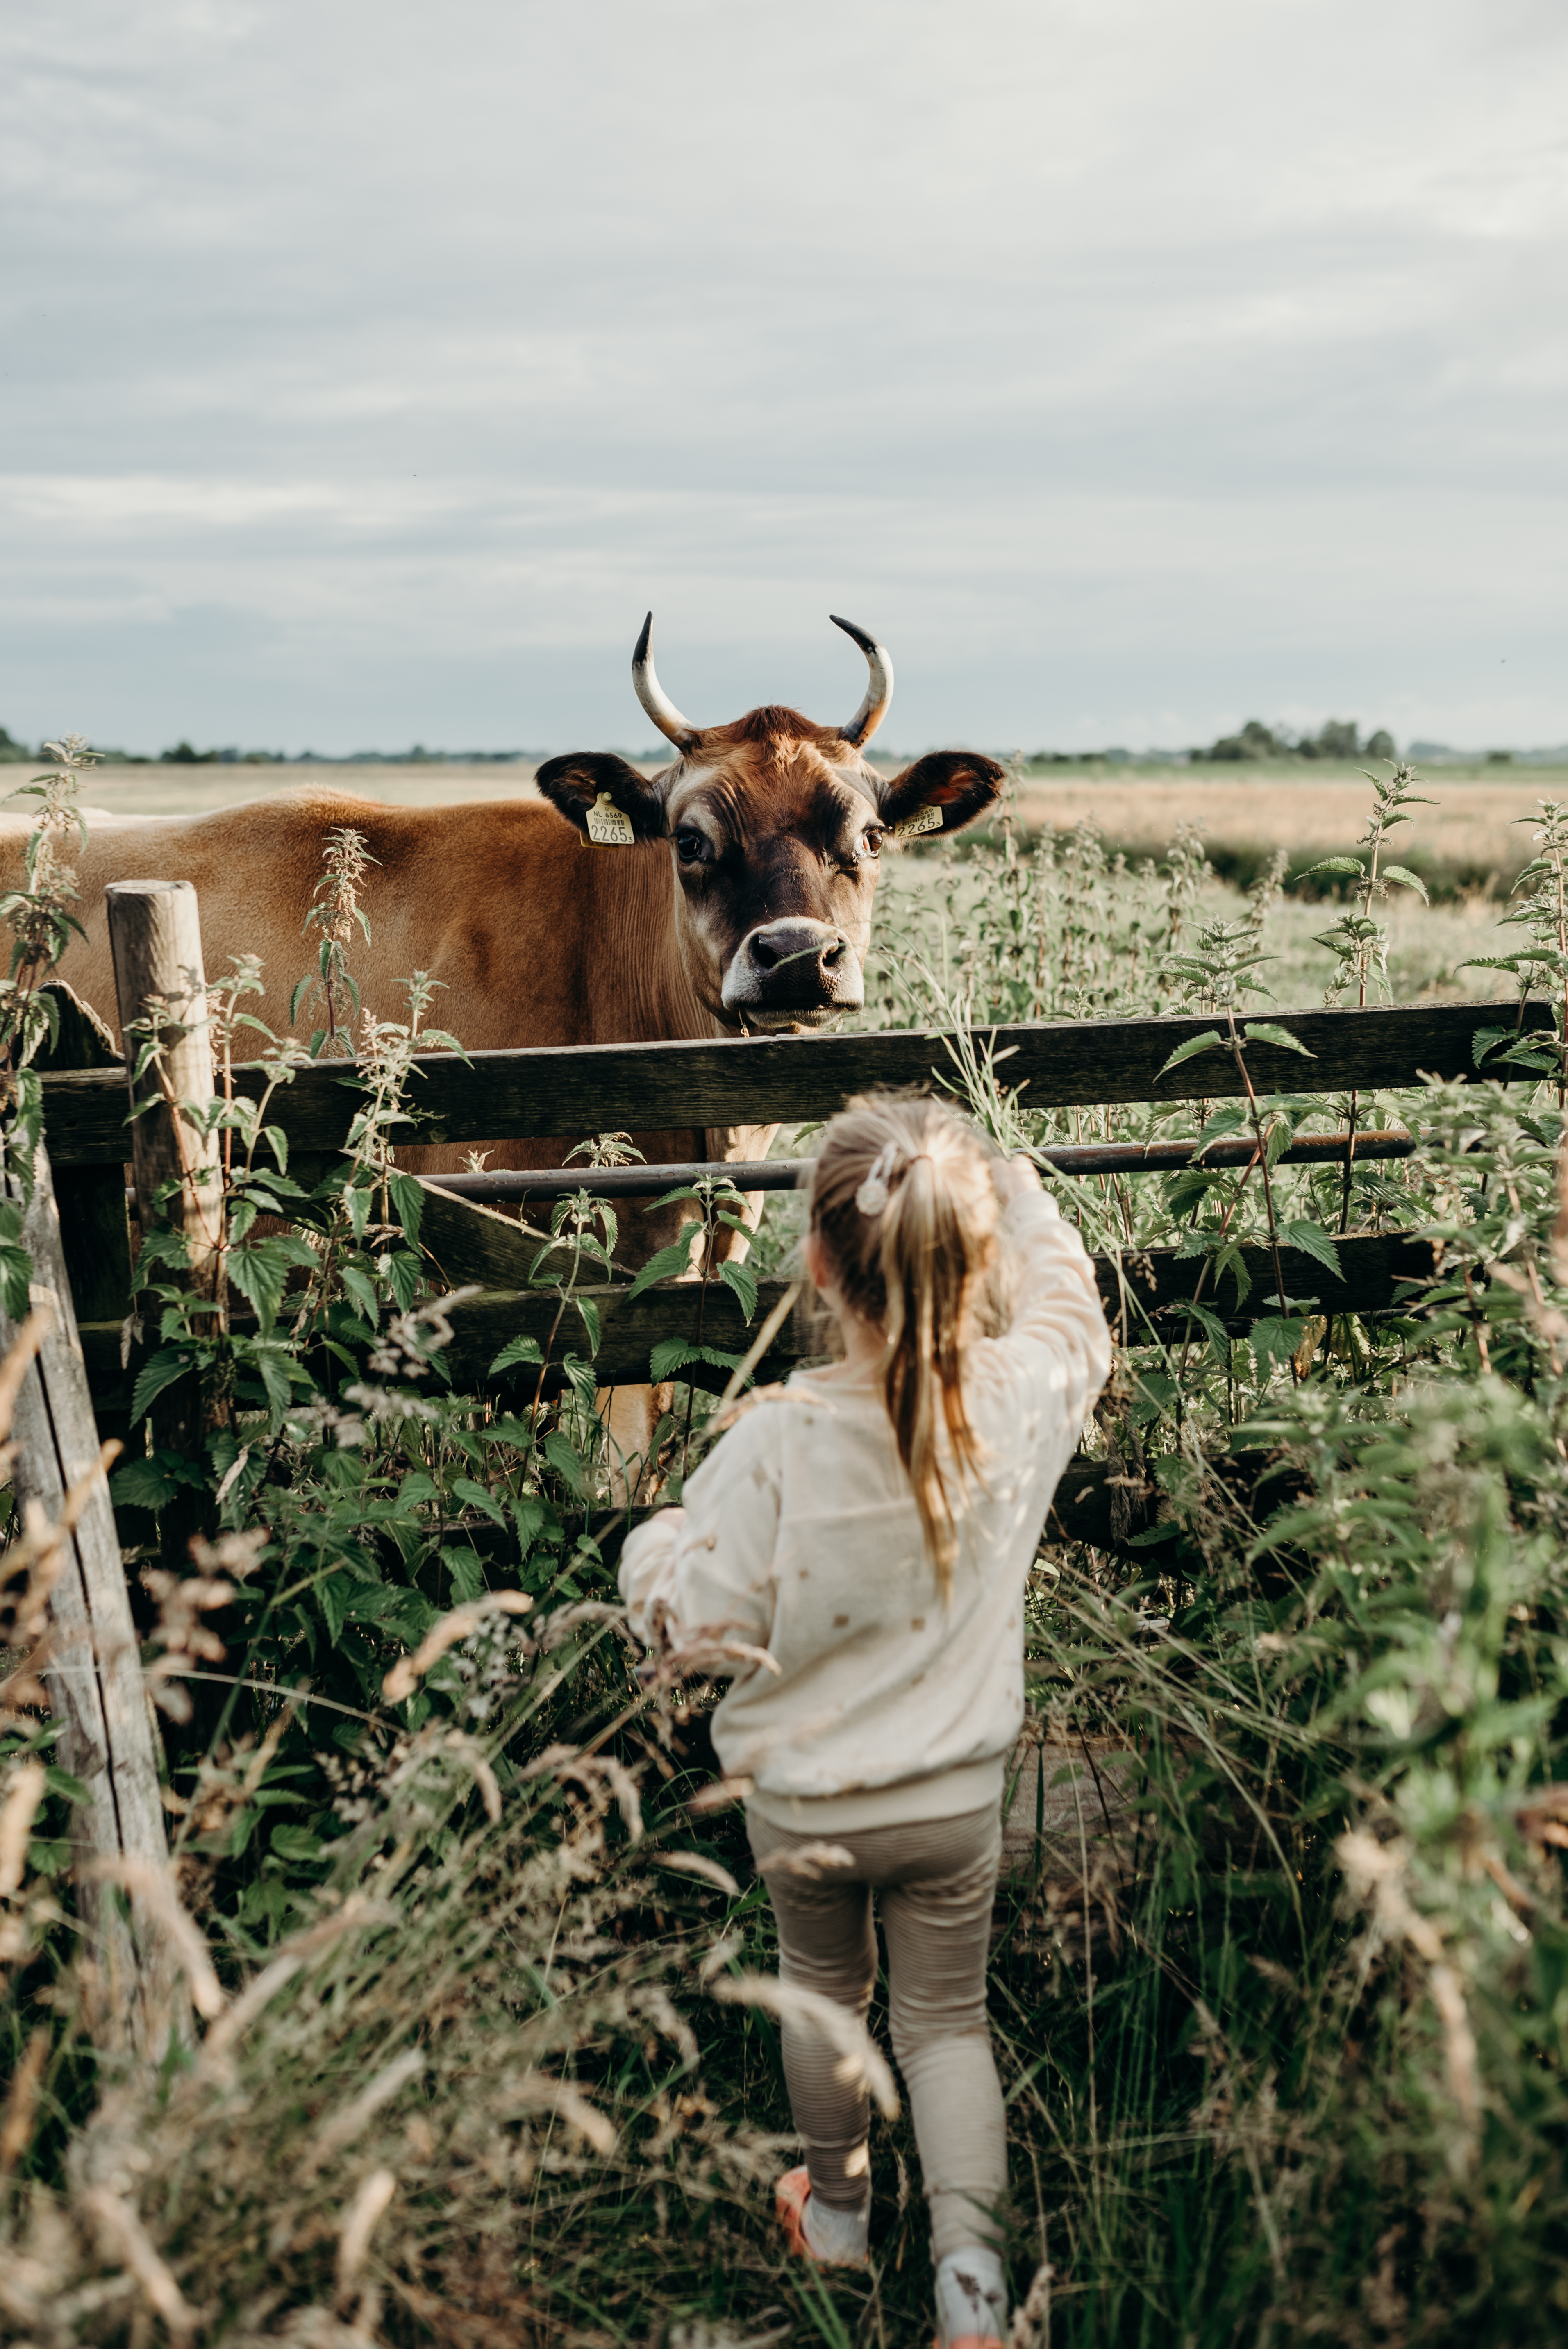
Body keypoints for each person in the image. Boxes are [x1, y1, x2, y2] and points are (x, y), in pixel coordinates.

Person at [619, 1090, 1112, 2349]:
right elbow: (1076, 1317)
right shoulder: (1017, 1397)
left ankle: (834, 2221)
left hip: (803, 1806)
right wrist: (1020, 1188)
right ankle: (970, 2300)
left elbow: (694, 1626)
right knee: (947, 2028)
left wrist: (652, 1547)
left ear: (820, 1266)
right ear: (978, 1255)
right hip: (951, 1802)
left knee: (824, 2001)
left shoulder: (774, 1444)